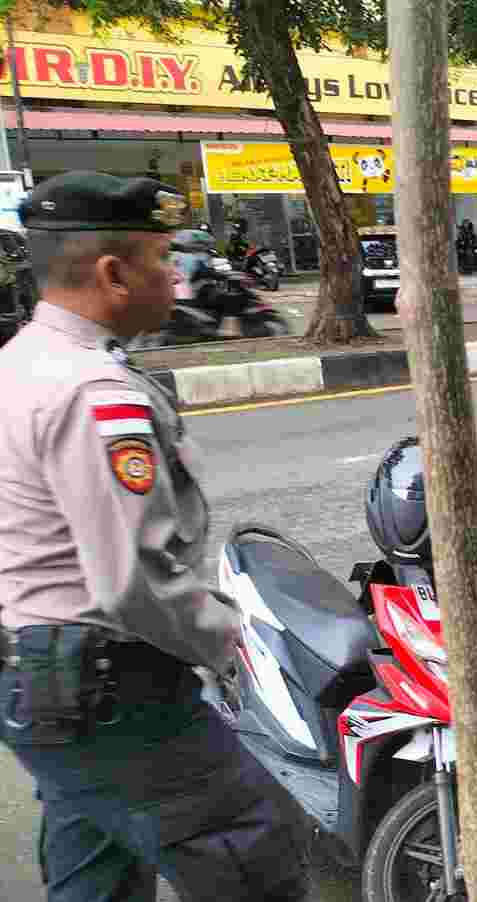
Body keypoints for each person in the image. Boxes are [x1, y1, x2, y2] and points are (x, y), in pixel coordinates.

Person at [0, 171, 306, 902]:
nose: (175, 275)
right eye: (162, 258)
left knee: (97, 877)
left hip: (44, 680)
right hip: (109, 688)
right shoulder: (92, 393)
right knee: (252, 852)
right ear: (113, 274)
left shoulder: (21, 363)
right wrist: (230, 643)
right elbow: (134, 580)